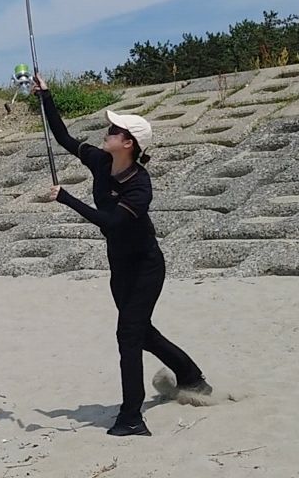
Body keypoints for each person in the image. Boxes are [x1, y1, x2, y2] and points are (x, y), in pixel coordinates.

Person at [31, 75, 211, 437]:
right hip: (120, 265)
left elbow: (112, 222)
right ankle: (191, 376)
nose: (108, 132)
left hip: (146, 266)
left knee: (128, 335)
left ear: (128, 143)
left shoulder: (140, 185)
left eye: (114, 130)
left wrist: (66, 198)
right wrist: (45, 97)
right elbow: (63, 137)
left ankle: (131, 417)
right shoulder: (100, 160)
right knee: (141, 332)